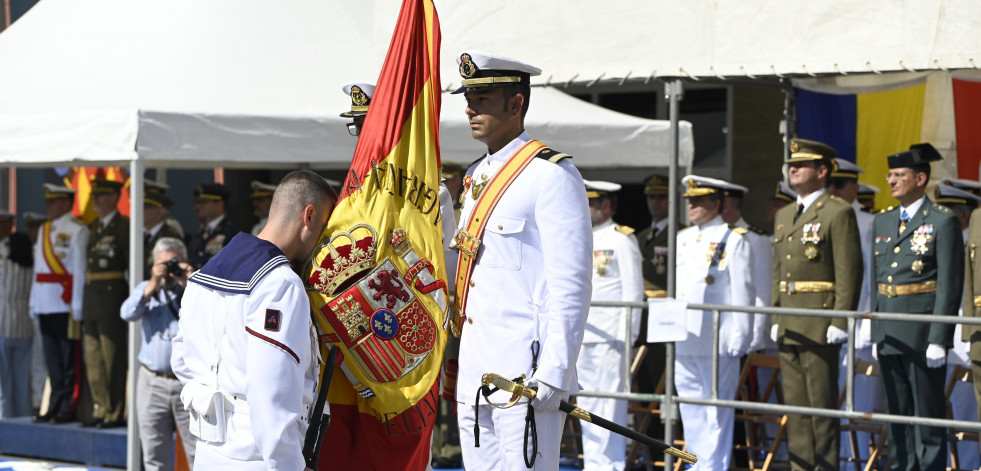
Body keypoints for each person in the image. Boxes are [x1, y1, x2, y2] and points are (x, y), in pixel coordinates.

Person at [451, 50, 592, 471]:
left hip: (525, 370)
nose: (470, 108)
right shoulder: (476, 175)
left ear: (516, 104)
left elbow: (572, 284)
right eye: (469, 99)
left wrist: (556, 371)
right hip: (476, 368)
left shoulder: (551, 174)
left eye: (484, 100)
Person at [172, 170, 336, 470]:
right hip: (259, 457)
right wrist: (288, 465)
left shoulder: (203, 274)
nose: (324, 241)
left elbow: (182, 360)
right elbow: (272, 395)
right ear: (308, 216)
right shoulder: (280, 284)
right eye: (325, 228)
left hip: (209, 451)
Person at [770, 138, 862, 470]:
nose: (792, 168)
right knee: (796, 409)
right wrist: (775, 313)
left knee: (821, 409)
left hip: (821, 321)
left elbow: (848, 271)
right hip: (790, 320)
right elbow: (778, 270)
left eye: (802, 164)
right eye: (791, 164)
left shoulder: (838, 212)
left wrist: (840, 320)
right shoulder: (783, 214)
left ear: (822, 171)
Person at [871, 143, 962, 471]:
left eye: (899, 175)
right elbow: (877, 282)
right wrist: (875, 329)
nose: (891, 180)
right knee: (896, 416)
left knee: (927, 416)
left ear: (920, 178)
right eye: (889, 175)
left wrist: (940, 337)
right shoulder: (883, 222)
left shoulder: (941, 220)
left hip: (923, 333)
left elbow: (950, 285)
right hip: (889, 332)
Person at [674, 176, 754, 471]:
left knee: (716, 409)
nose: (691, 205)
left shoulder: (733, 238)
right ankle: (696, 463)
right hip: (684, 335)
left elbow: (743, 292)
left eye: (698, 200)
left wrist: (740, 336)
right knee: (690, 406)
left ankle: (714, 467)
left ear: (716, 203)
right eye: (689, 200)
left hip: (718, 337)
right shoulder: (682, 238)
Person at [578, 180, 643, 471]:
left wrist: (627, 336)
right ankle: (594, 464)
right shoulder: (579, 236)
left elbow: (633, 293)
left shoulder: (621, 239)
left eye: (591, 203)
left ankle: (610, 466)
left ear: (605, 205)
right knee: (586, 405)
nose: (586, 208)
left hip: (610, 337)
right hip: (582, 334)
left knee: (609, 405)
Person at [121, 237, 197, 470]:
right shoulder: (146, 288)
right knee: (154, 455)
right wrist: (152, 284)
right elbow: (127, 313)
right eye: (162, 264)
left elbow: (215, 312)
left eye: (173, 262)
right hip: (152, 382)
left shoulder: (197, 288)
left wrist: (191, 281)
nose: (168, 269)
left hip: (188, 383)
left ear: (183, 261)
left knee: (198, 453)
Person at [827, 158, 879, 467]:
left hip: (858, 324)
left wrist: (870, 321)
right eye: (829, 184)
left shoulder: (869, 223)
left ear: (854, 188)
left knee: (858, 402)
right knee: (830, 402)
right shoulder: (821, 217)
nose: (831, 190)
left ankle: (855, 463)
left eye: (838, 185)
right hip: (828, 324)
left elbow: (874, 276)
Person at [30, 183, 88, 423]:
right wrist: (33, 301)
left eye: (53, 202)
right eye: (48, 202)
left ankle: (67, 406)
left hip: (64, 303)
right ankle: (53, 405)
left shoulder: (77, 230)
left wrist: (77, 305)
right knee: (52, 359)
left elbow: (79, 268)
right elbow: (38, 269)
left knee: (67, 360)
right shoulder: (44, 229)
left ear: (66, 203)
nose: (49, 206)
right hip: (45, 301)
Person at [934, 184, 981, 470]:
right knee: (959, 413)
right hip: (962, 336)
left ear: (962, 214)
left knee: (965, 413)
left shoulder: (965, 238)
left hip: (966, 338)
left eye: (948, 210)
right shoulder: (954, 238)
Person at [80, 179, 130, 428]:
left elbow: (130, 265)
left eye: (101, 195)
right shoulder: (94, 227)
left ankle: (115, 411)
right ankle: (100, 407)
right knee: (93, 359)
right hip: (91, 297)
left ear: (114, 197)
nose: (96, 200)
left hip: (112, 298)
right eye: (95, 195)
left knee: (113, 358)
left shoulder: (123, 227)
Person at [719, 181, 772, 352]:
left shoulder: (755, 239)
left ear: (726, 206)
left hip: (741, 337)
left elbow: (762, 292)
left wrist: (754, 339)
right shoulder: (714, 235)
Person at [0, 210, 34, 418]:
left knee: (3, 384)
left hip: (3, 325)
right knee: (23, 381)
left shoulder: (4, 265)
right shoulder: (31, 266)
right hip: (24, 327)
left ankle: (4, 423)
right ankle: (23, 421)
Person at [188, 183, 239, 270]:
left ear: (219, 204)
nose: (196, 208)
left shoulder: (231, 233)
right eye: (196, 203)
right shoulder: (201, 232)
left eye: (202, 203)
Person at [143, 189, 183, 280]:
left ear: (159, 212)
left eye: (146, 207)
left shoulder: (169, 236)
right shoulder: (144, 236)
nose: (141, 211)